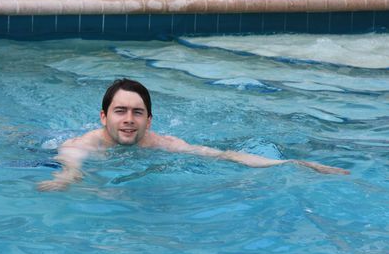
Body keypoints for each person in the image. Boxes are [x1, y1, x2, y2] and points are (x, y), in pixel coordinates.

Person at [38, 78, 349, 191]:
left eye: (138, 113)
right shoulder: (84, 143)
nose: (129, 120)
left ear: (149, 120)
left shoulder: (163, 144)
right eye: (120, 111)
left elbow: (223, 155)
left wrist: (291, 164)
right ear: (104, 117)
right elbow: (71, 162)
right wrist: (66, 177)